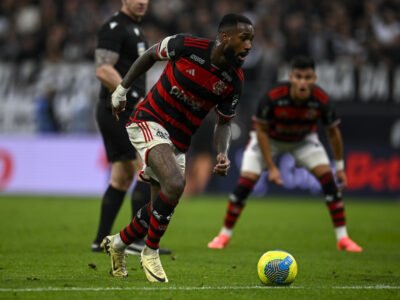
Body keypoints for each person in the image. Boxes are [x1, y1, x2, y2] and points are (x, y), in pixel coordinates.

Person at [101, 13, 254, 283]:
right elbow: (149, 55)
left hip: (179, 140)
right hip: (149, 120)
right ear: (226, 37)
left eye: (251, 40)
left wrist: (222, 152)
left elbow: (224, 123)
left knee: (159, 205)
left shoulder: (234, 80)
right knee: (175, 182)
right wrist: (122, 89)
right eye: (244, 39)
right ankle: (151, 251)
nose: (249, 46)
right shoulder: (186, 46)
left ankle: (118, 244)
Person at [208, 56, 363, 253]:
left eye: (308, 77)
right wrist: (271, 167)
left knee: (329, 181)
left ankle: (343, 239)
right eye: (298, 77)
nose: (303, 82)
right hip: (269, 140)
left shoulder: (322, 100)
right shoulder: (273, 97)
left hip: (303, 141)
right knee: (245, 183)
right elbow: (261, 131)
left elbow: (333, 132)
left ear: (314, 78)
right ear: (291, 77)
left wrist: (340, 168)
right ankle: (223, 235)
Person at [92, 0, 170, 255]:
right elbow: (103, 69)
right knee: (149, 166)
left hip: (118, 111)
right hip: (119, 111)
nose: (142, 2)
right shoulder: (115, 27)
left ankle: (100, 240)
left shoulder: (135, 29)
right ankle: (138, 240)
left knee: (122, 176)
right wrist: (128, 96)